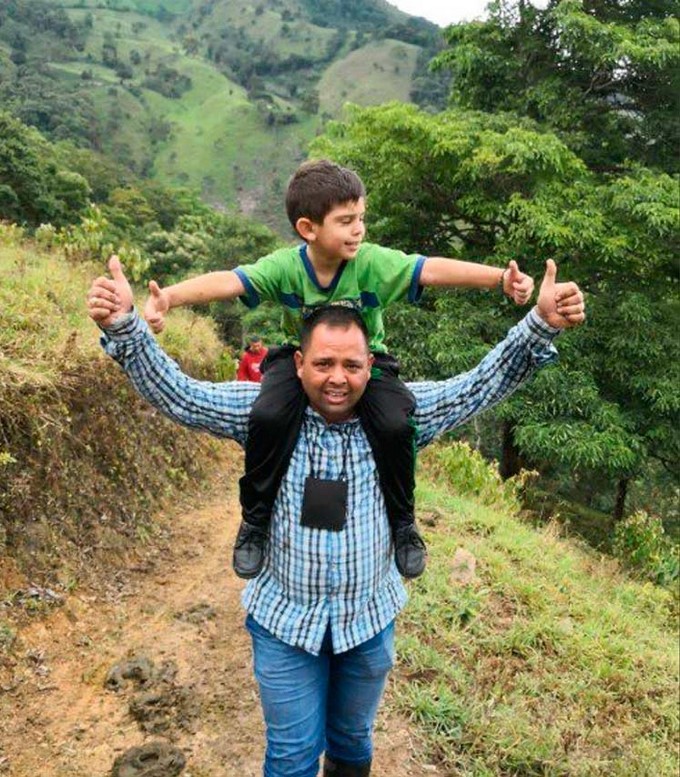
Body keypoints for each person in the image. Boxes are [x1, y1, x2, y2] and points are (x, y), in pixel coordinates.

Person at [88, 256, 585, 777]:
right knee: (291, 756)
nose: (337, 379)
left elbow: (480, 384)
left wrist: (541, 324)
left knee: (352, 745)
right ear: (298, 362)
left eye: (351, 366)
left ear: (371, 365)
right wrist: (125, 327)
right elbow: (181, 396)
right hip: (284, 624)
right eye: (324, 364)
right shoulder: (261, 413)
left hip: (367, 623)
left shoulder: (400, 416)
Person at [134, 160, 536, 583]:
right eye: (346, 221)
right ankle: (255, 520)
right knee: (268, 416)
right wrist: (170, 298)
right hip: (298, 359)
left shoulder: (372, 263)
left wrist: (500, 280)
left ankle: (403, 523)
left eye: (361, 218)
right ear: (308, 228)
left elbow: (430, 269)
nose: (358, 230)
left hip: (369, 361)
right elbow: (232, 281)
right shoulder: (286, 267)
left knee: (397, 424)